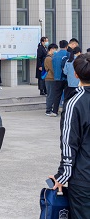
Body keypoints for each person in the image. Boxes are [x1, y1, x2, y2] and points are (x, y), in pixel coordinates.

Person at [49, 53, 90, 217]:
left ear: (76, 74)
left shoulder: (75, 103)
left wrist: (62, 175)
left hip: (84, 180)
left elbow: (69, 142)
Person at [47, 40, 69, 117]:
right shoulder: (68, 54)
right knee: (67, 95)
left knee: (57, 95)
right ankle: (65, 111)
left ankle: (55, 111)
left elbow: (53, 66)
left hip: (57, 77)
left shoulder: (55, 55)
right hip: (66, 78)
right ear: (67, 46)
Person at [44, 44, 60, 116]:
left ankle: (51, 108)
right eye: (55, 49)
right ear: (51, 49)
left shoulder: (52, 57)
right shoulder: (48, 58)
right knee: (50, 95)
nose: (56, 51)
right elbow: (52, 68)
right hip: (50, 78)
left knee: (52, 94)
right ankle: (48, 110)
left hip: (52, 78)